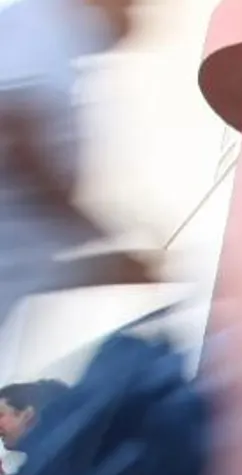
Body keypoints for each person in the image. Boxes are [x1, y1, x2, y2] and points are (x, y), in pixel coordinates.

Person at [1, 0, 153, 340]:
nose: (137, 13)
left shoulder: (62, 39)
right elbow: (12, 123)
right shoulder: (45, 23)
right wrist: (89, 233)